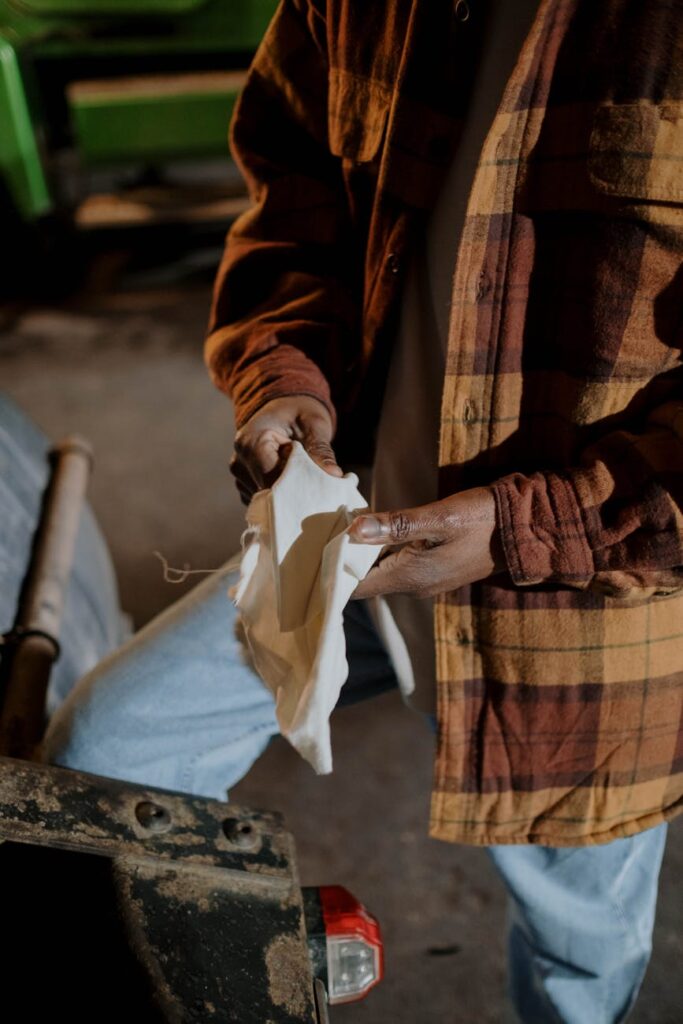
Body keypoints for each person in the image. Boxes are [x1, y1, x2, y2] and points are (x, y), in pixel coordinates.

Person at [44, 1, 683, 1021]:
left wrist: (537, 524)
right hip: (361, 535)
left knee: (579, 947)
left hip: (587, 600)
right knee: (105, 759)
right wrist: (282, 377)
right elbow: (295, 205)